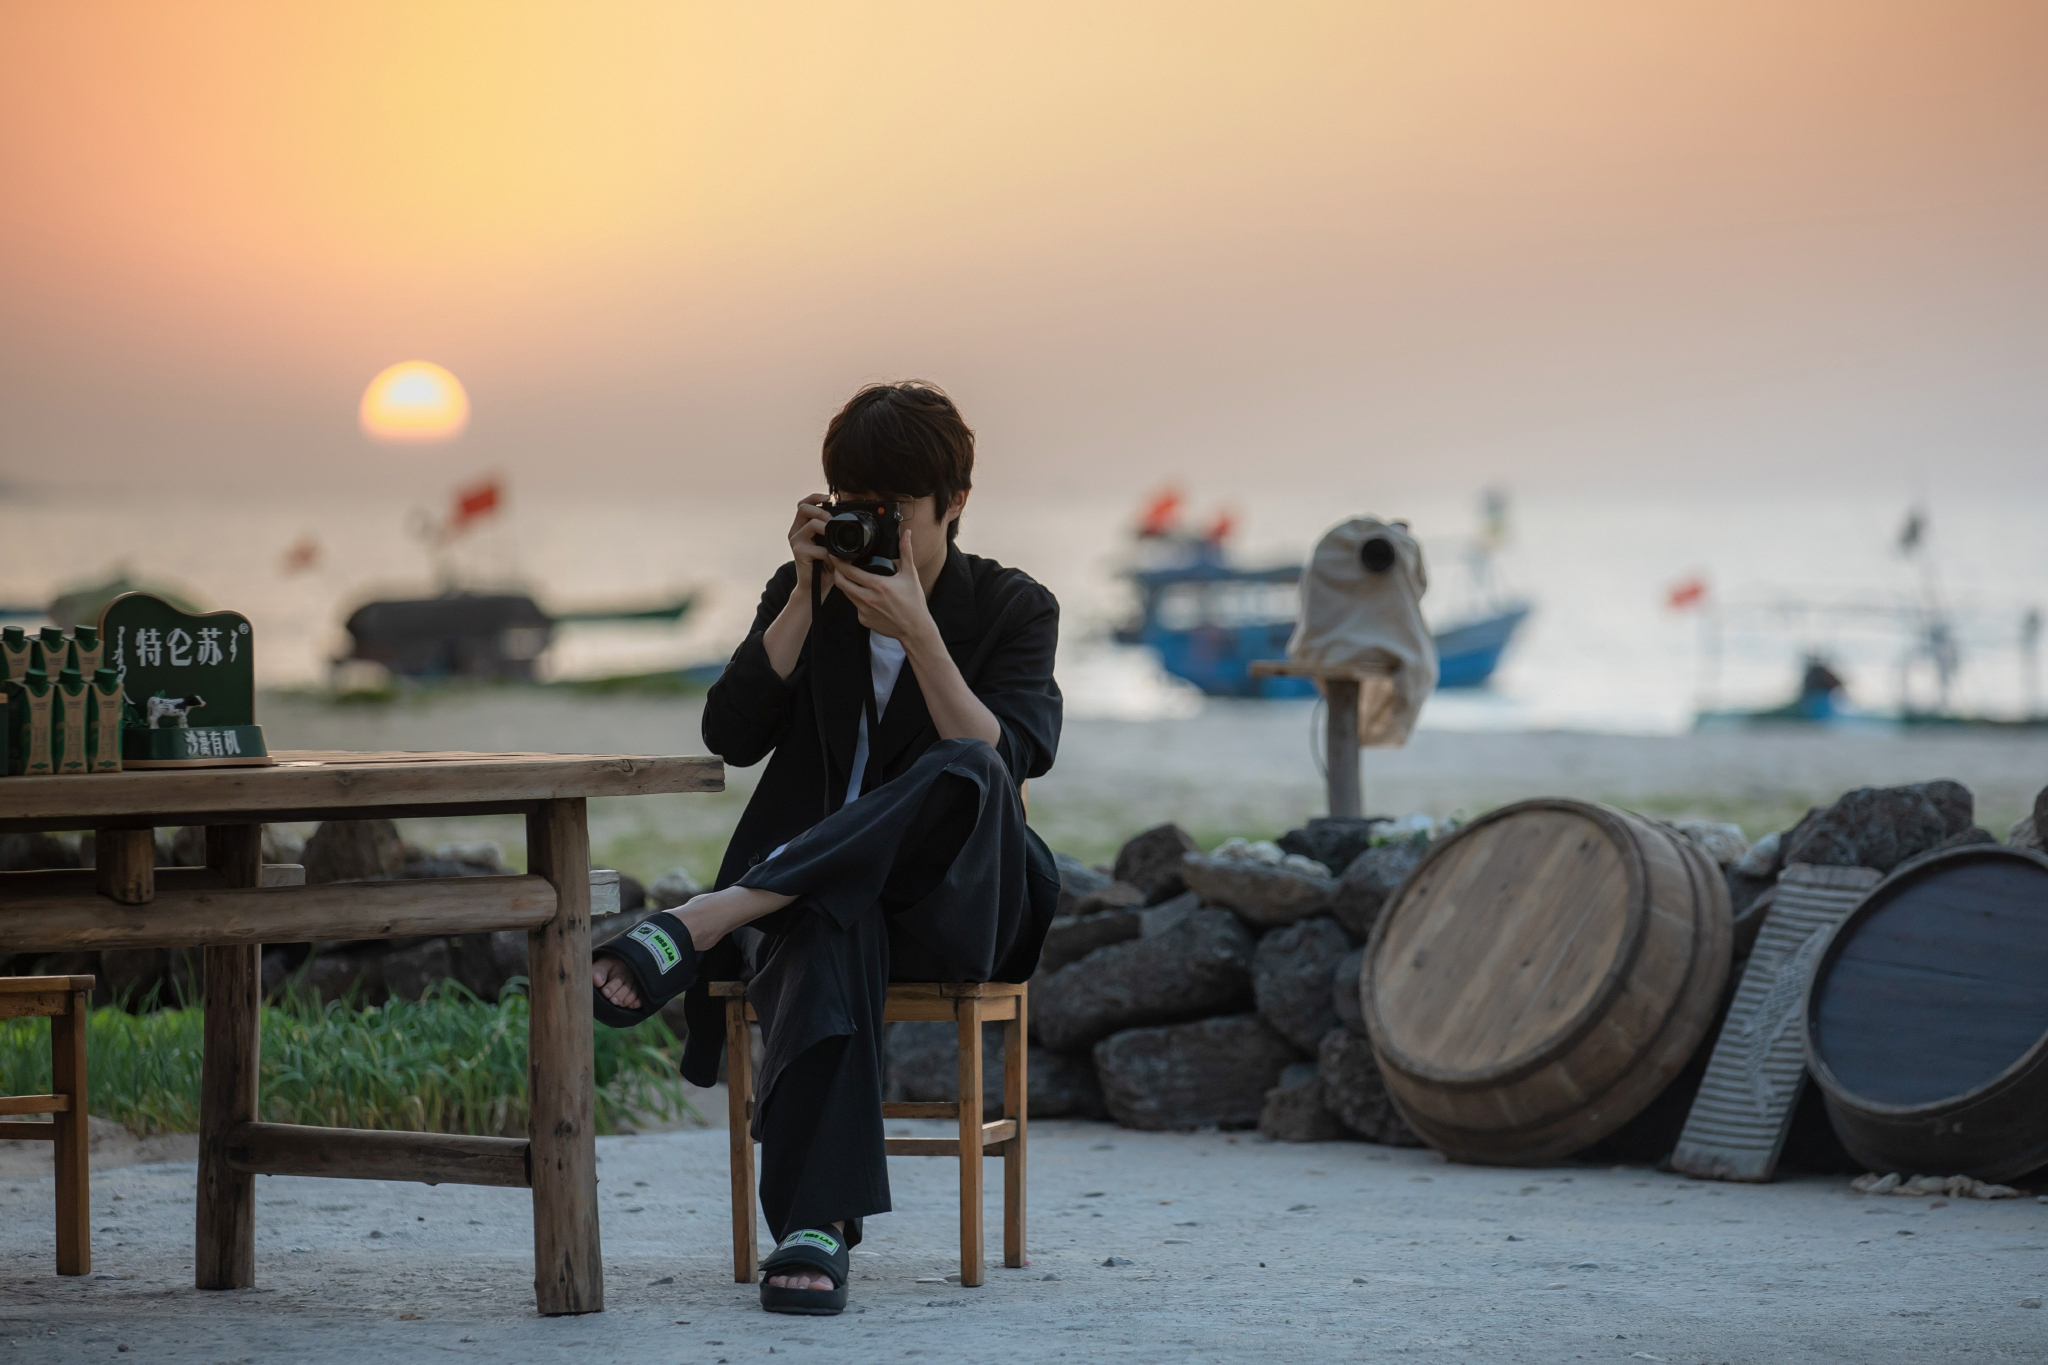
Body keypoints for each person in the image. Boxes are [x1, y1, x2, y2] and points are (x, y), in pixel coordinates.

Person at [589, 381, 1062, 1316]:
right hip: (818, 912)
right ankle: (813, 1227)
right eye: (855, 507)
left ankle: (708, 917)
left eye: (897, 514)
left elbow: (1013, 759)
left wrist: (922, 636)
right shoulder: (808, 592)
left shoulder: (1013, 607)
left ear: (955, 503)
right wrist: (804, 595)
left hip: (952, 904)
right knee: (831, 915)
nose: (877, 531)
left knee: (967, 768)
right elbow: (729, 732)